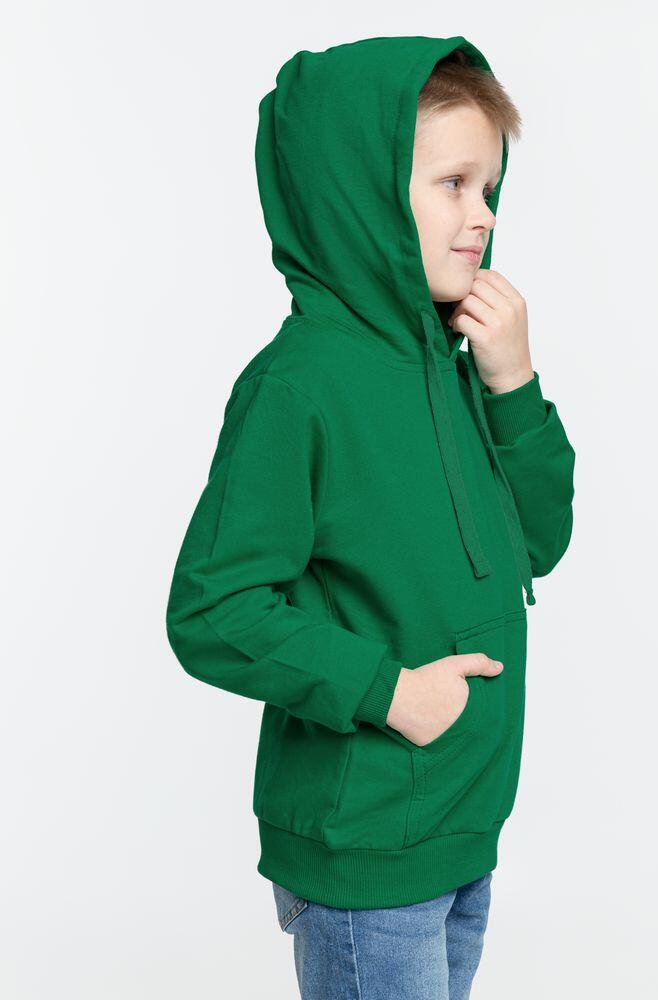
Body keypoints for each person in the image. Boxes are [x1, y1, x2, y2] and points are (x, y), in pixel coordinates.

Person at [166, 34, 576, 999]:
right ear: (364, 194)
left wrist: (513, 384)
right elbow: (212, 608)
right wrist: (389, 692)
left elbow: (538, 544)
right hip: (367, 847)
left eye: (489, 187)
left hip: (461, 826)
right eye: (453, 184)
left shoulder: (453, 363)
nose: (483, 215)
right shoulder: (300, 385)